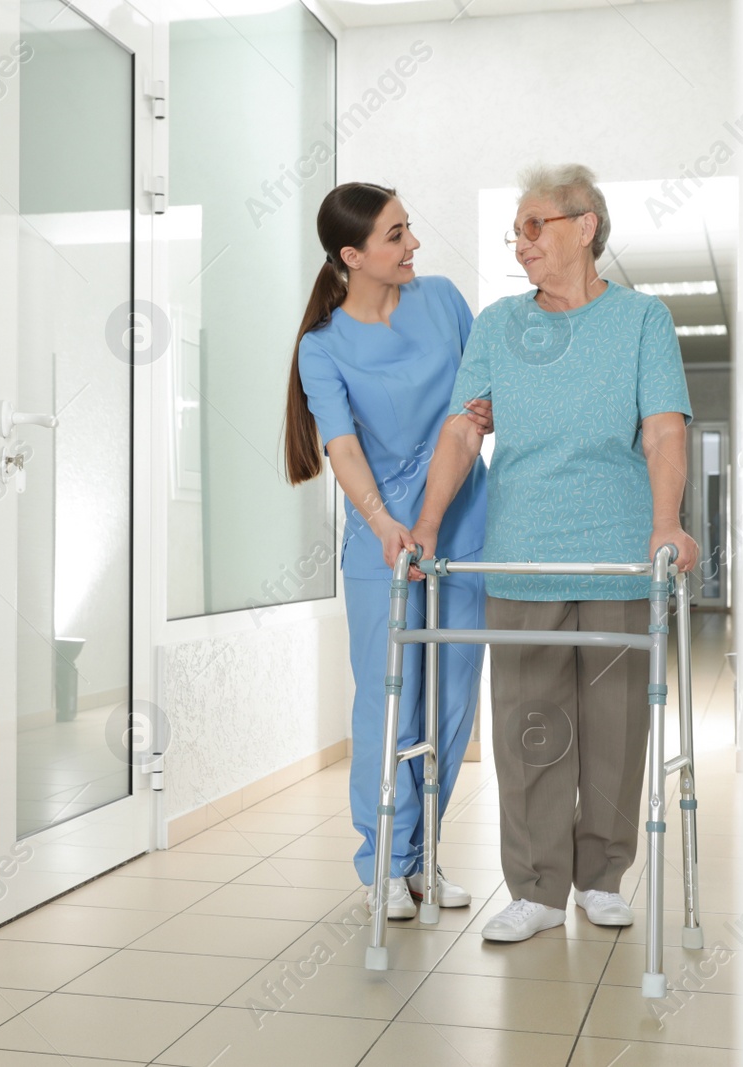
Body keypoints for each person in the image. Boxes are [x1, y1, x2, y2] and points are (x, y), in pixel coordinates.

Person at [406, 163, 697, 942]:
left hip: (617, 553)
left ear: (586, 226)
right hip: (524, 553)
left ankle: (602, 876)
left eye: (536, 225)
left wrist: (665, 522)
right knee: (531, 724)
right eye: (517, 230)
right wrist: (428, 523)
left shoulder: (643, 320)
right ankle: (536, 887)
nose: (521, 241)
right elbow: (465, 427)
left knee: (613, 724)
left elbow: (666, 427)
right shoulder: (500, 325)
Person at [283, 182, 492, 918]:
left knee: (453, 701)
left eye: (409, 230)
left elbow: (478, 402)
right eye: (397, 235)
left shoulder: (442, 302)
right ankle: (382, 860)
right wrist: (380, 522)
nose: (413, 246)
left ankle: (421, 860)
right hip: (383, 538)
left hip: (463, 518)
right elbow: (340, 445)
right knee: (388, 700)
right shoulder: (324, 345)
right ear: (353, 255)